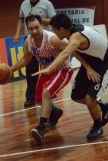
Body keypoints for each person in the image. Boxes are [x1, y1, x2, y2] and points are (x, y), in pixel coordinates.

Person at [33, 13, 108, 140]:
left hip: (105, 65)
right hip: (91, 62)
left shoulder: (76, 38)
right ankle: (104, 107)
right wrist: (39, 19)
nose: (54, 33)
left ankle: (97, 126)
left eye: (55, 30)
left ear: (61, 29)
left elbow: (66, 53)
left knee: (90, 100)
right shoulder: (67, 27)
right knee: (76, 96)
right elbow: (52, 21)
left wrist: (49, 69)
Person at [11, 15, 73, 145]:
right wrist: (10, 70)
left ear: (42, 26)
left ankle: (41, 129)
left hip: (62, 70)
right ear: (27, 29)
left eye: (36, 27)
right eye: (30, 29)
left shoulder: (53, 39)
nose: (34, 31)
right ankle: (55, 112)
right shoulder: (28, 41)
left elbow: (72, 48)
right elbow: (26, 59)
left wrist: (88, 67)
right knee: (38, 100)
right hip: (45, 71)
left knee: (46, 93)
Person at [14, 0, 56, 108]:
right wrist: (17, 34)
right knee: (30, 70)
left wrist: (38, 20)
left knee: (47, 70)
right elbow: (21, 20)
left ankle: (49, 96)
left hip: (45, 41)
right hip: (30, 40)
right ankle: (30, 98)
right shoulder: (24, 4)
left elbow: (54, 20)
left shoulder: (47, 4)